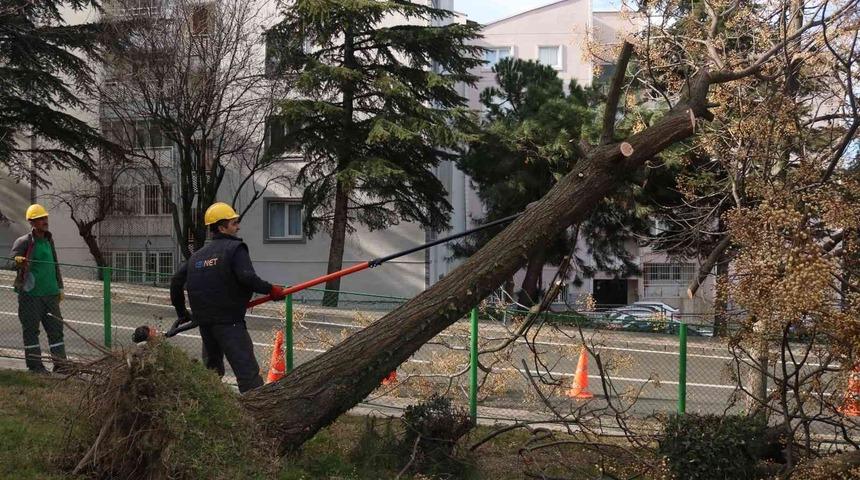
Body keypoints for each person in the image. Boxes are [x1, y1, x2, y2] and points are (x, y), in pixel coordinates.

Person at [170, 202, 286, 393]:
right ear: (222, 227)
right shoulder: (235, 249)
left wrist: (182, 313)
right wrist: (271, 289)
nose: (237, 227)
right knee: (247, 375)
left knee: (211, 374)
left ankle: (209, 411)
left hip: (205, 324)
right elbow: (247, 277)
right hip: (230, 322)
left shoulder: (197, 256)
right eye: (233, 223)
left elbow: (176, 282)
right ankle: (258, 415)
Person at [9, 204, 67, 374]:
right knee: (31, 331)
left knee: (56, 331)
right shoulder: (24, 241)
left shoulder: (49, 240)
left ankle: (61, 365)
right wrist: (18, 261)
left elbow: (55, 265)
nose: (44, 221)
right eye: (40, 219)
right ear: (32, 222)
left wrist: (60, 287)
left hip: (51, 294)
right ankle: (35, 366)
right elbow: (10, 263)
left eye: (45, 218)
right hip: (31, 295)